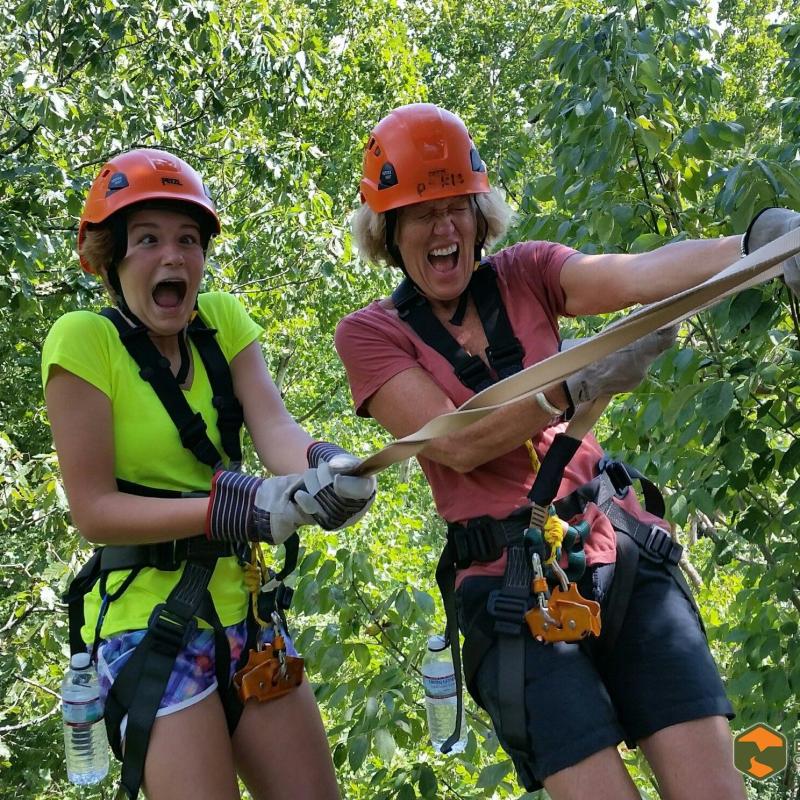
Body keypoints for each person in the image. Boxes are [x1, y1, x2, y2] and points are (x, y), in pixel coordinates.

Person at [334, 104, 798, 799]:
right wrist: (571, 386)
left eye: (457, 206)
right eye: (421, 213)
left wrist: (756, 245)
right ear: (389, 232)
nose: (445, 227)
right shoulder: (370, 334)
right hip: (510, 591)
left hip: (615, 547)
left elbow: (637, 275)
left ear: (481, 214)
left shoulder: (528, 273)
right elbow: (456, 443)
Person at [42, 149, 376, 800]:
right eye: (148, 240)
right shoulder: (85, 341)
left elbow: (274, 427)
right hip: (150, 625)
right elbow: (94, 510)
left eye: (188, 240)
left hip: (248, 617)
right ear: (110, 259)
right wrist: (242, 507)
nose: (173, 256)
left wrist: (323, 466)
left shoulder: (221, 324)